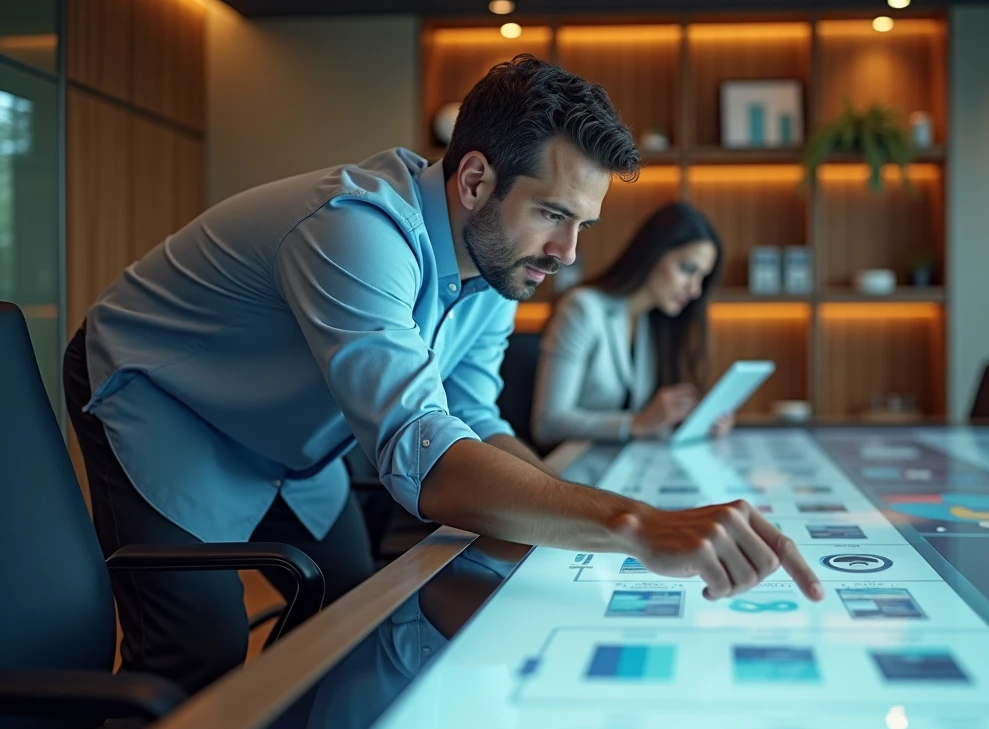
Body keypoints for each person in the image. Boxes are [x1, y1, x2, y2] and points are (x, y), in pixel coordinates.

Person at [64, 55, 823, 695]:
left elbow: (478, 423)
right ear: (473, 181)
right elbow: (428, 459)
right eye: (552, 215)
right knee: (201, 660)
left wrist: (601, 512)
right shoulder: (355, 231)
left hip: (296, 440)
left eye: (581, 226)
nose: (566, 253)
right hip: (170, 406)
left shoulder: (496, 265)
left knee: (350, 621)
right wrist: (637, 526)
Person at [532, 201, 729, 450]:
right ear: (653, 253)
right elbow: (547, 424)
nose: (695, 289)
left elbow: (645, 420)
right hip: (570, 468)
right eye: (687, 269)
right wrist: (636, 423)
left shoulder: (651, 322)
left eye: (702, 277)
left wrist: (696, 422)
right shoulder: (582, 308)